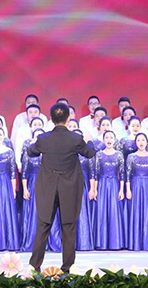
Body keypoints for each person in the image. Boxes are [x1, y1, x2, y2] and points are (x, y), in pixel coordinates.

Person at [26, 103, 96, 272]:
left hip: (47, 187)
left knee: (43, 226)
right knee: (68, 227)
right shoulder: (76, 139)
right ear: (68, 118)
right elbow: (89, 153)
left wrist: (33, 143)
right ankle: (67, 268)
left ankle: (34, 266)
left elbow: (30, 152)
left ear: (51, 119)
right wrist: (90, 141)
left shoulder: (43, 138)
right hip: (69, 188)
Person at [91, 130, 126, 250]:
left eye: (111, 137)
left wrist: (121, 190)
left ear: (115, 140)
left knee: (114, 211)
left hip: (114, 184)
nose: (109, 140)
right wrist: (95, 189)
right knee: (102, 211)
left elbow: (122, 173)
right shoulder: (99, 154)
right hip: (102, 184)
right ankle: (102, 242)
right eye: (107, 137)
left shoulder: (119, 154)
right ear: (103, 140)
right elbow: (95, 173)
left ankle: (115, 243)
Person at [125, 133, 148, 251]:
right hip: (135, 185)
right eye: (138, 140)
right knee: (136, 212)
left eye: (143, 140)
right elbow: (127, 174)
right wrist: (128, 189)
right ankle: (136, 243)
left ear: (147, 142)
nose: (141, 142)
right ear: (135, 142)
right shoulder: (131, 157)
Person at [20, 128, 46, 251]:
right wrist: (25, 189)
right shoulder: (28, 153)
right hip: (33, 183)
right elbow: (24, 173)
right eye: (37, 137)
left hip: (48, 183)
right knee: (33, 212)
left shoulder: (50, 153)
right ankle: (33, 241)